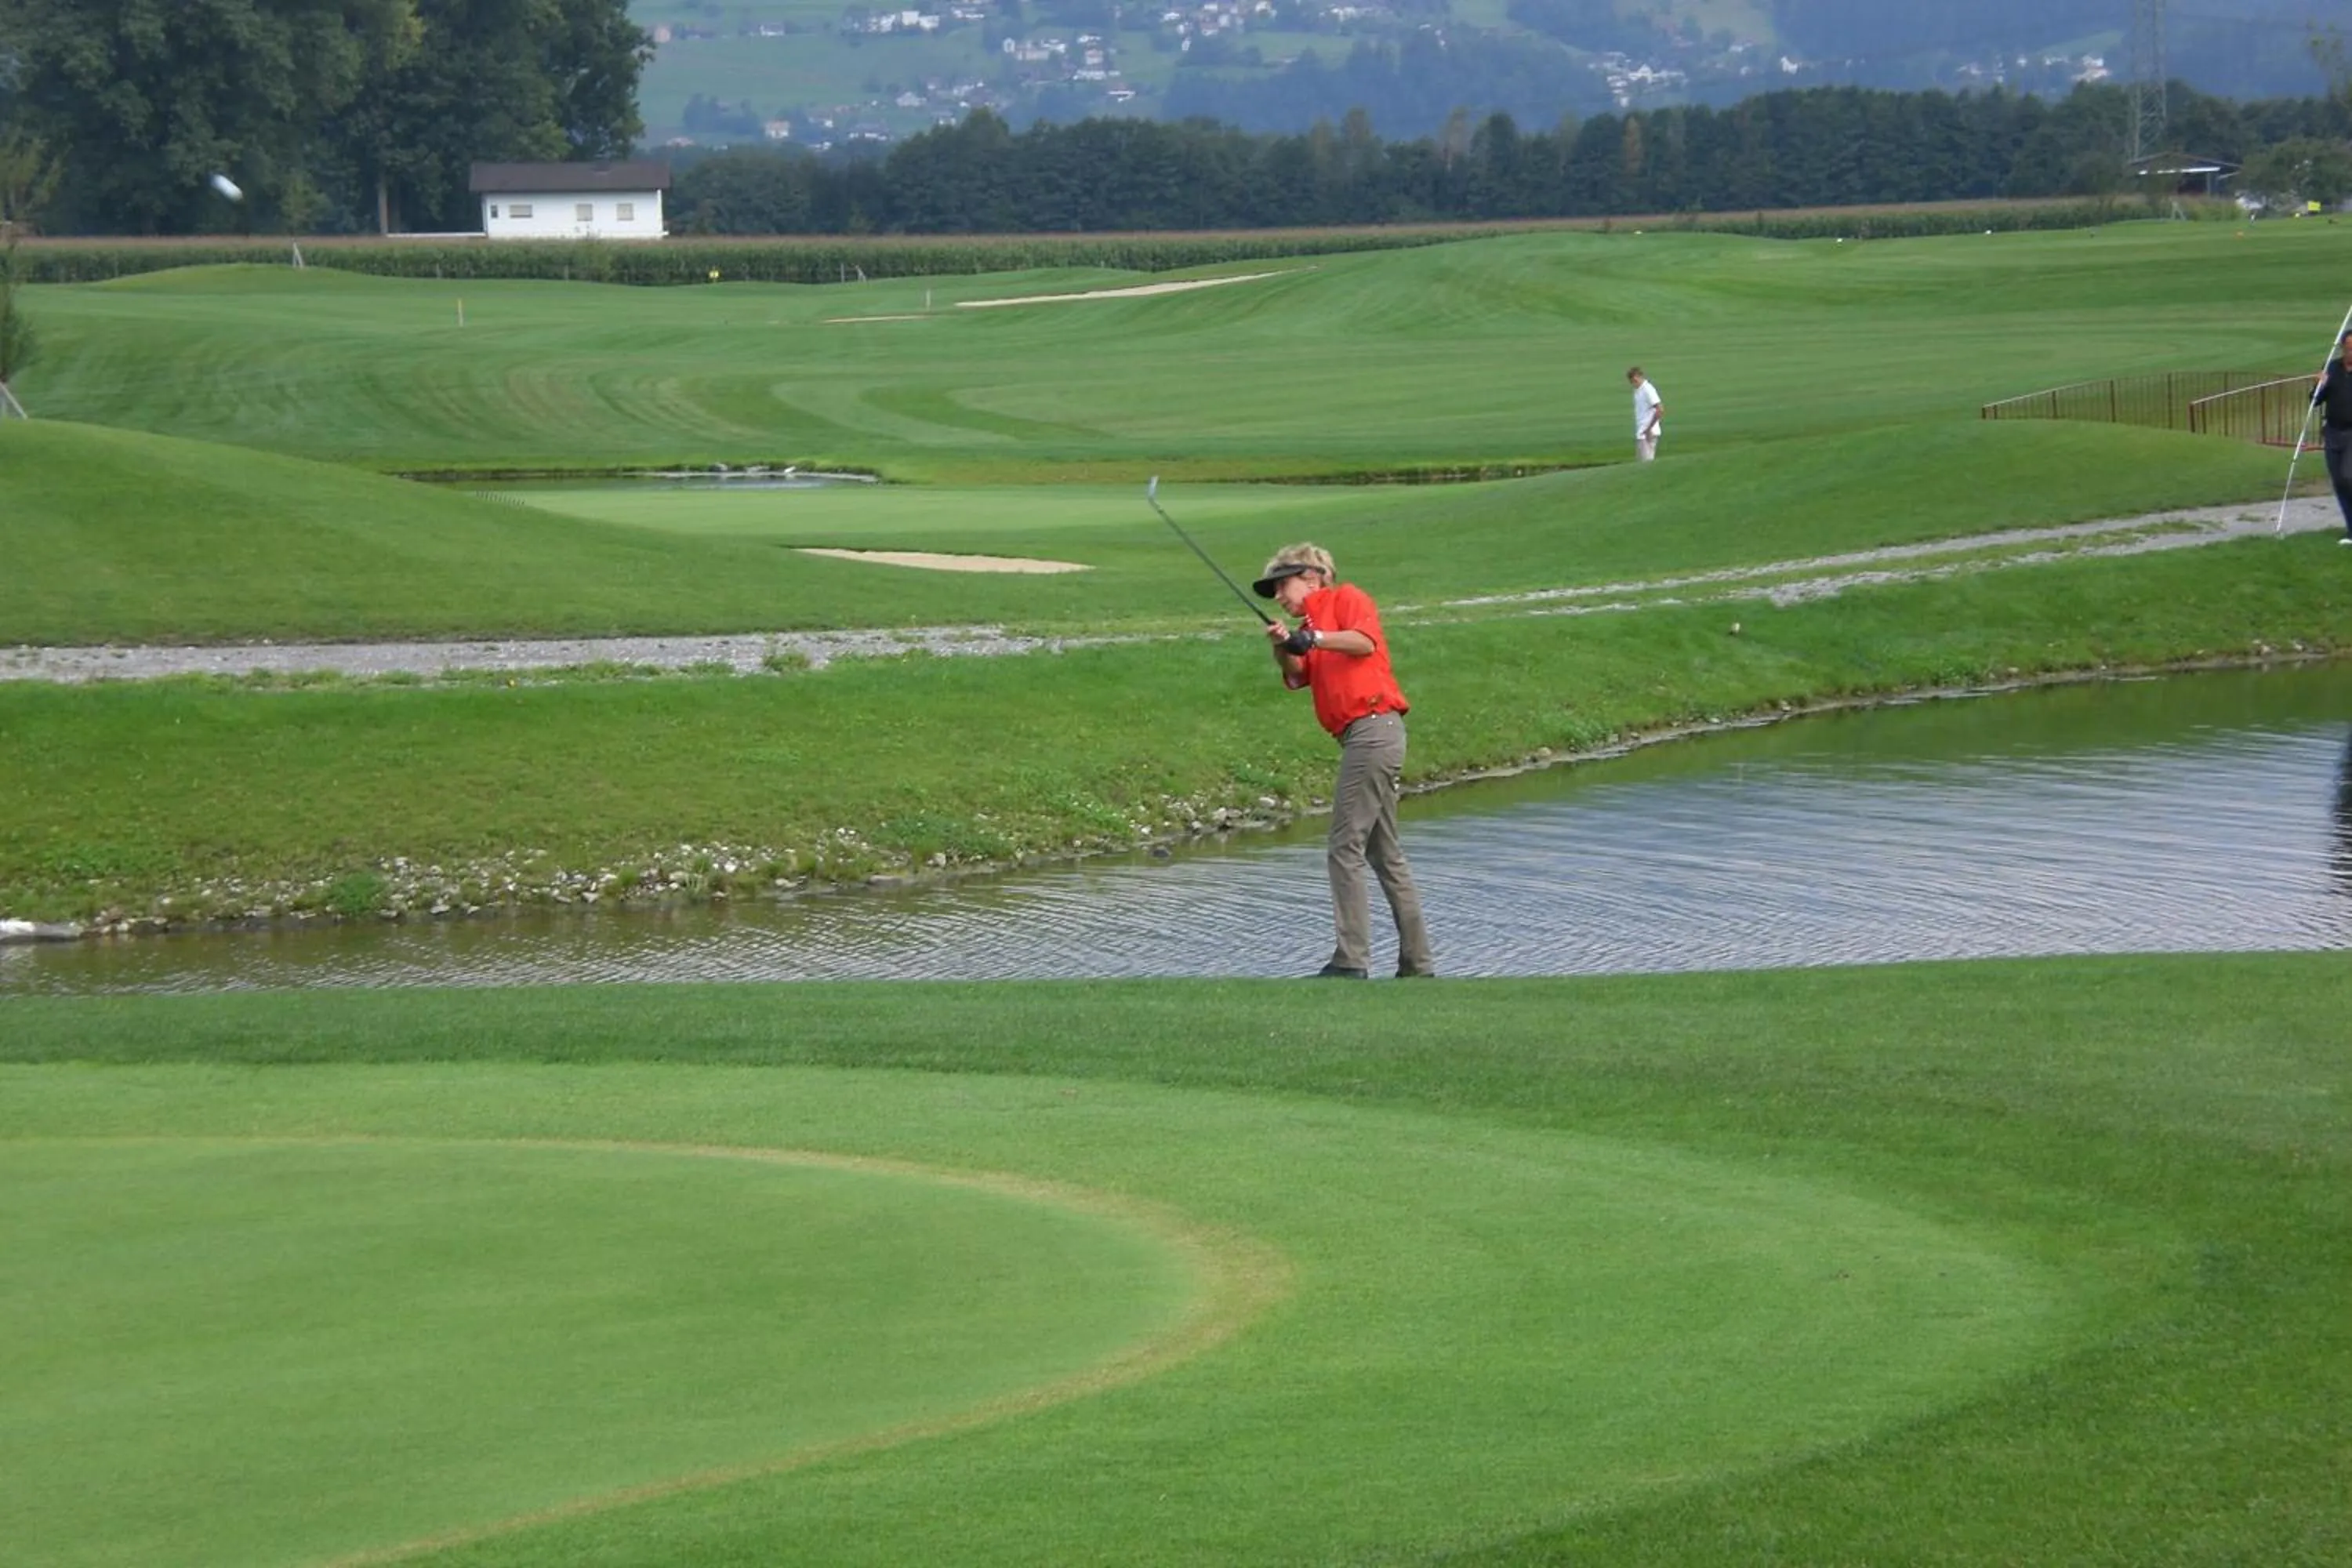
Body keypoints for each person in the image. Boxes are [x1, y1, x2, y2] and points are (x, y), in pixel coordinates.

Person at [1254, 544, 1436, 980]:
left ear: (1312, 577)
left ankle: (1351, 960)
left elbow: (1363, 642)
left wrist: (1313, 638)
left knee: (1344, 845)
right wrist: (1284, 645)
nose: (1278, 595)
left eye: (1282, 584)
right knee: (1384, 853)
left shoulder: (1347, 599)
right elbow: (1298, 674)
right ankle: (1418, 965)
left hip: (1373, 729)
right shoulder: (1309, 627)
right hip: (1363, 736)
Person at [2311, 331, 2352, 545]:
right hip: (2333, 432)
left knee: (2348, 476)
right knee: (2339, 482)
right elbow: (2315, 401)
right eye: (2349, 347)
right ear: (2342, 348)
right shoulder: (2332, 368)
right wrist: (2320, 385)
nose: (2351, 351)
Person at [1628, 366, 1664, 461]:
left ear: (1640, 377)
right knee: (1641, 463)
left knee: (1646, 464)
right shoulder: (1638, 390)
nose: (1634, 384)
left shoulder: (1648, 389)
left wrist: (1649, 429)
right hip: (1642, 433)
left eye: (1635, 381)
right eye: (1632, 382)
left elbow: (1660, 409)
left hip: (1647, 434)